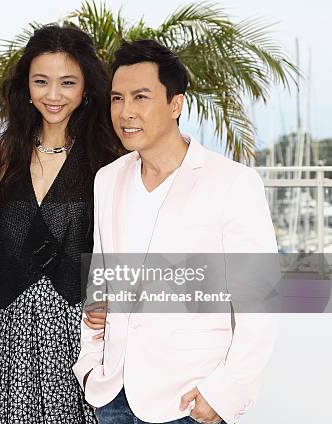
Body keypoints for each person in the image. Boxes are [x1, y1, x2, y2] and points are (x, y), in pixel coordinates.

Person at [73, 39, 279, 424]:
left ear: (175, 104)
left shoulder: (232, 183)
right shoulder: (108, 179)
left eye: (140, 97)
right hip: (113, 395)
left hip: (187, 401)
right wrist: (91, 363)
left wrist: (224, 393)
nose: (125, 112)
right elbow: (100, 280)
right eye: (117, 99)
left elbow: (260, 303)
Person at [0, 24, 123, 424]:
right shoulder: (8, 153)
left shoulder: (109, 158)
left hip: (79, 330)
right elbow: (2, 244)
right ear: (27, 86)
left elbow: (122, 241)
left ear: (85, 88)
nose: (53, 95)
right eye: (41, 81)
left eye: (67, 82)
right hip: (12, 329)